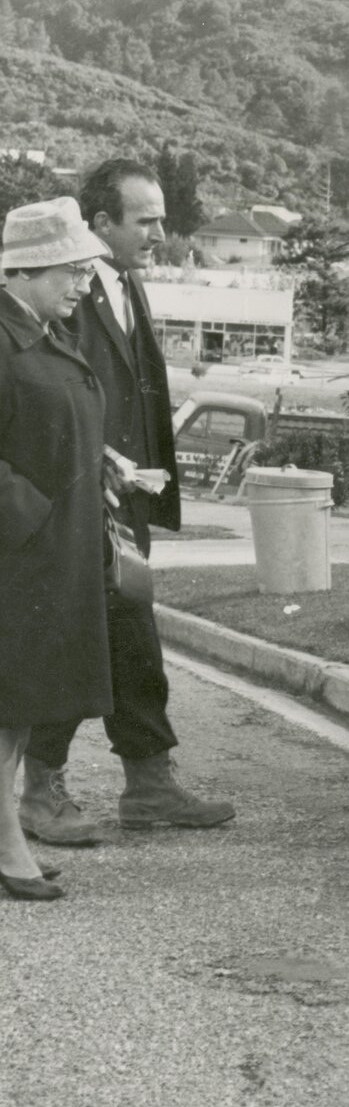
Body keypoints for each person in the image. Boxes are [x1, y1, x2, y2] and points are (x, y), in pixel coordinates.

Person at [19, 160, 234, 846]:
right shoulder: (70, 290)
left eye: (160, 217)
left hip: (120, 500)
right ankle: (41, 790)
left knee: (133, 642)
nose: (159, 232)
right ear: (100, 221)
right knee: (76, 644)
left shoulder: (125, 282)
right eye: (144, 219)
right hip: (80, 501)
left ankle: (149, 783)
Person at [0, 198, 118, 900]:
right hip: (18, 552)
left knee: (19, 706)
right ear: (25, 270)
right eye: (71, 271)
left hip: (47, 549)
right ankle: (7, 841)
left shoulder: (41, 331)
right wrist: (31, 513)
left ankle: (5, 830)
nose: (82, 285)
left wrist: (94, 465)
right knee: (8, 701)